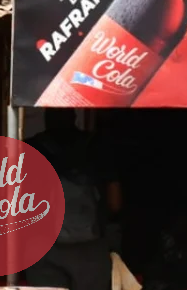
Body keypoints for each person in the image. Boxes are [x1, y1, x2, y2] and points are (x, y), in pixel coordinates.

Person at [21, 109, 119, 290]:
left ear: (46, 117)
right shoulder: (97, 147)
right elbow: (115, 202)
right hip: (90, 247)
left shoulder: (30, 148)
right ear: (74, 116)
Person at [143, 205, 187, 290]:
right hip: (171, 278)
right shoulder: (167, 238)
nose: (181, 223)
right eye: (178, 220)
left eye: (184, 220)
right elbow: (161, 261)